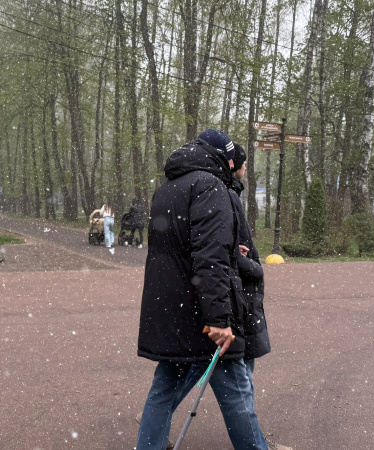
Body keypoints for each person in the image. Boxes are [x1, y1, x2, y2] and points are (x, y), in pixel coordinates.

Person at [137, 129, 283, 450]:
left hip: (171, 310)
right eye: (233, 160)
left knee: (162, 392)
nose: (234, 166)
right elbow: (209, 258)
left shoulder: (167, 188)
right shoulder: (210, 187)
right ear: (225, 160)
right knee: (237, 396)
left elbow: (178, 253)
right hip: (203, 316)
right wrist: (219, 319)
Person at [227, 143, 271, 383]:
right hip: (241, 285)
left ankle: (160, 411)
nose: (245, 168)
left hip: (240, 282)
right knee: (241, 366)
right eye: (244, 164)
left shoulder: (228, 192)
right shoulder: (229, 194)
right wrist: (254, 269)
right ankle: (245, 417)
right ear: (236, 166)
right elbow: (231, 247)